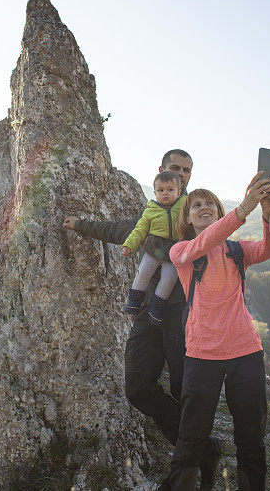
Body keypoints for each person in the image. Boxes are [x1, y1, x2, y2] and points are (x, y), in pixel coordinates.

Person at [63, 150, 223, 491]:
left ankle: (185, 474)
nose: (181, 175)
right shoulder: (151, 214)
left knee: (185, 393)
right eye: (174, 169)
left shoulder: (196, 216)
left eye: (186, 171)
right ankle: (204, 450)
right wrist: (79, 225)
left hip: (185, 316)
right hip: (151, 313)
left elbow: (221, 242)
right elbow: (120, 230)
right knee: (137, 385)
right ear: (162, 172)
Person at [168, 171, 270, 491]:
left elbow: (269, 249)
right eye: (196, 205)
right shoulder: (182, 251)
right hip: (202, 353)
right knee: (191, 436)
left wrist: (269, 213)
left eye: (210, 204)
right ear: (188, 219)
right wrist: (244, 208)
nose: (203, 207)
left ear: (219, 211)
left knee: (251, 437)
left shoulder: (236, 250)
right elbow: (205, 242)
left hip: (245, 351)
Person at [121, 170, 185, 326]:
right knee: (144, 271)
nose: (165, 193)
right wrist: (130, 245)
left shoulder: (183, 206)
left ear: (178, 191)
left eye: (170, 190)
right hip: (153, 248)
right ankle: (135, 300)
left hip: (172, 251)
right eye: (161, 190)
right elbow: (140, 230)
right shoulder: (150, 211)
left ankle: (156, 306)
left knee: (169, 278)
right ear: (155, 192)